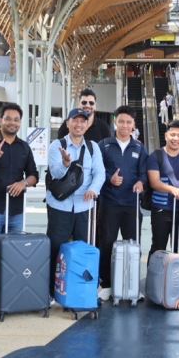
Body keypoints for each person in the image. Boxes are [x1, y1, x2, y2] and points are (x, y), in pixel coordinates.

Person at [46, 108, 105, 292]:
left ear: (87, 125)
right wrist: (65, 164)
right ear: (67, 123)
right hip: (60, 205)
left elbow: (100, 173)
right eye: (75, 120)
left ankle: (80, 290)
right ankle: (52, 290)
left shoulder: (93, 147)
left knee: (83, 249)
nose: (79, 124)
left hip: (84, 207)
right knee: (56, 249)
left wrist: (93, 189)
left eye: (83, 121)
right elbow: (55, 174)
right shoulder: (57, 145)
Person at [97, 106, 148, 301]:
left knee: (133, 244)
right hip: (109, 203)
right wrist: (109, 178)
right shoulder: (104, 145)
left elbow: (144, 173)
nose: (125, 125)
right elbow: (97, 170)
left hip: (131, 204)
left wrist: (141, 183)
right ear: (115, 122)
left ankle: (132, 284)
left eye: (128, 122)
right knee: (106, 243)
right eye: (121, 121)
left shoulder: (139, 148)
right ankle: (107, 284)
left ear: (133, 125)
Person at [0, 103, 39, 236]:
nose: (12, 123)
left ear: (20, 122)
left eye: (16, 120)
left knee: (15, 248)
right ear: (0, 121)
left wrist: (24, 183)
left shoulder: (24, 147)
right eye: (8, 119)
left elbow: (33, 175)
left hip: (17, 210)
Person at [146, 120, 179, 262]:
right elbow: (154, 182)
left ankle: (176, 276)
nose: (176, 138)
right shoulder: (156, 156)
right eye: (172, 135)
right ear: (166, 136)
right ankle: (154, 275)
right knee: (158, 247)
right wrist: (172, 189)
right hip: (161, 210)